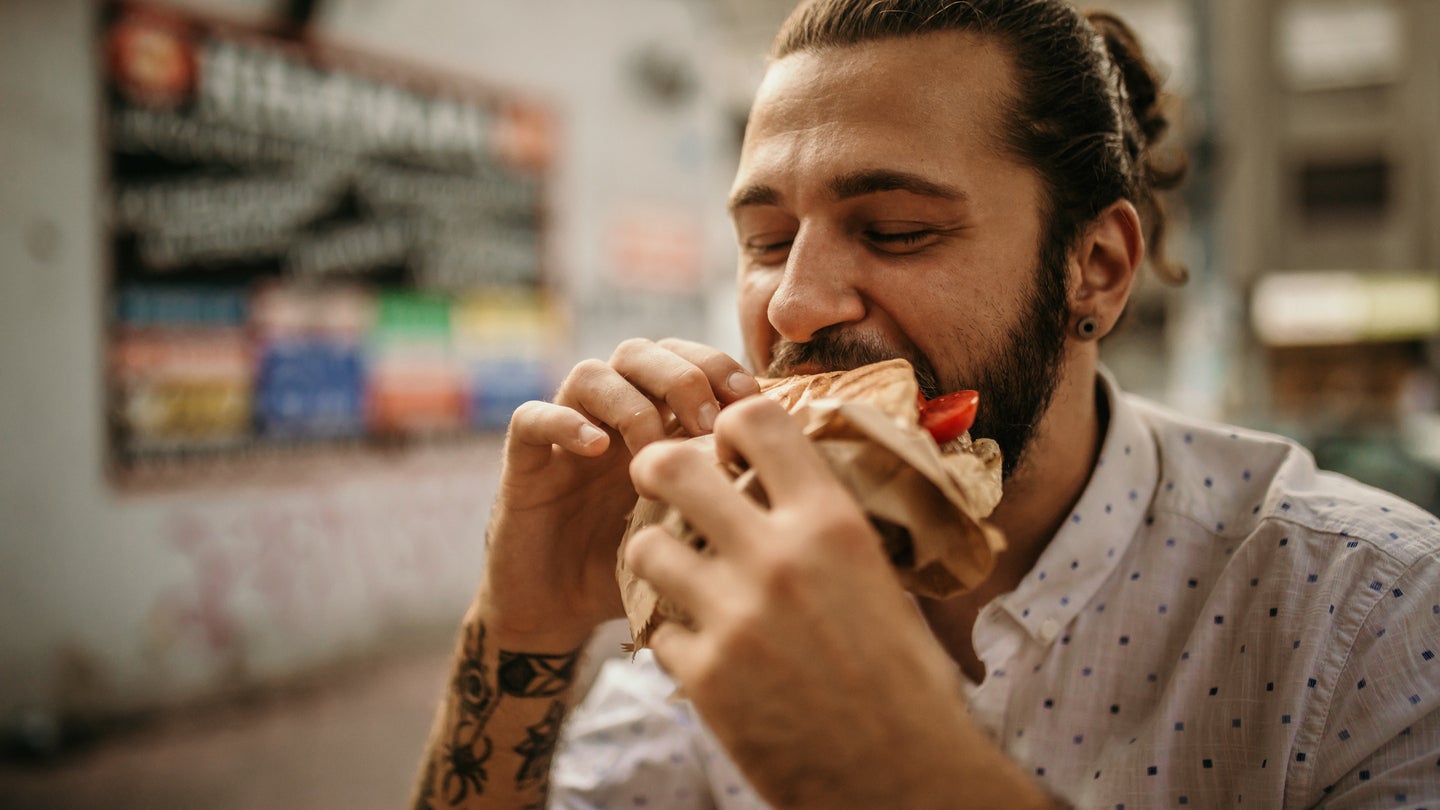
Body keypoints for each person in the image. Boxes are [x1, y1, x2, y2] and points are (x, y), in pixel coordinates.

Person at [411, 1, 1440, 807]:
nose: (795, 304)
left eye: (897, 230)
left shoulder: (1375, 616)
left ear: (1095, 267)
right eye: (767, 242)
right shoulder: (727, 563)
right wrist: (521, 629)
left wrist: (908, 774)